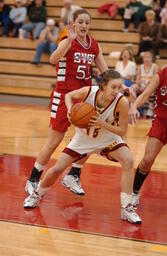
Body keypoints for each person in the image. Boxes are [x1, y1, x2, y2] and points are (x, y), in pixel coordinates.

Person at [24, 69, 142, 224]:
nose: (117, 91)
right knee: (58, 168)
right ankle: (37, 195)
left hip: (107, 137)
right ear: (103, 86)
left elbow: (122, 131)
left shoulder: (122, 102)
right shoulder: (89, 92)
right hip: (83, 138)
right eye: (113, 87)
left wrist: (102, 123)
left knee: (128, 160)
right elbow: (69, 96)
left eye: (119, 87)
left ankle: (127, 208)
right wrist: (69, 109)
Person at [25, 9, 108, 196]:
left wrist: (119, 84)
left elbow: (104, 70)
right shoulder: (66, 40)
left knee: (91, 137)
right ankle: (33, 178)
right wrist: (69, 41)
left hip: (85, 97)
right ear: (74, 23)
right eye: (81, 22)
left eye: (87, 22)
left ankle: (73, 174)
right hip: (64, 95)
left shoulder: (94, 44)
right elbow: (53, 59)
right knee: (54, 141)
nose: (84, 26)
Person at [129, 66, 167, 207]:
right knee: (147, 160)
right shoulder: (161, 75)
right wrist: (133, 107)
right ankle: (134, 192)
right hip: (162, 122)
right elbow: (145, 95)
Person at [129, 51, 158, 117]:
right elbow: (137, 80)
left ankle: (150, 109)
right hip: (141, 86)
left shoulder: (154, 67)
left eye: (148, 57)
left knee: (152, 89)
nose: (147, 59)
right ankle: (133, 107)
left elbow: (155, 80)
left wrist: (148, 85)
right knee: (133, 87)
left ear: (152, 58)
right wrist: (140, 83)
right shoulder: (140, 67)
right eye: (145, 57)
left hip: (150, 86)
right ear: (143, 59)